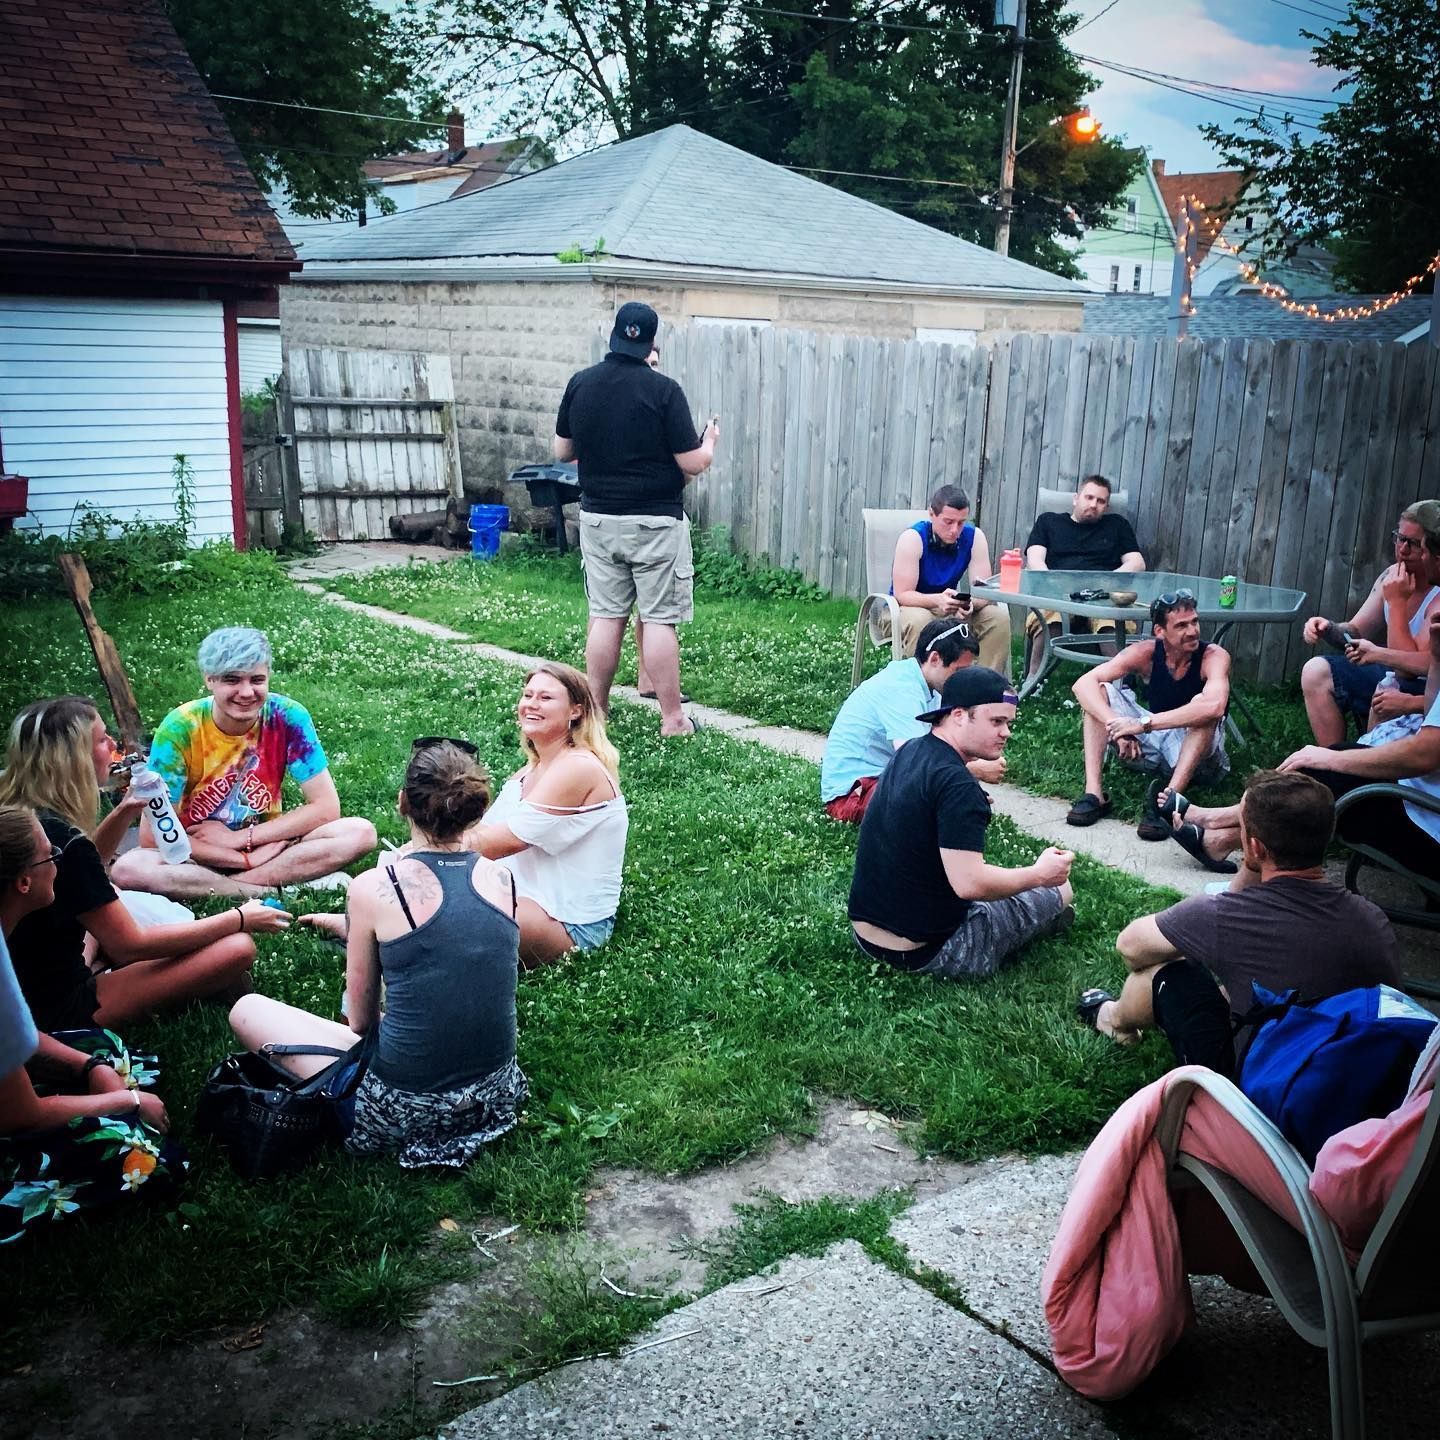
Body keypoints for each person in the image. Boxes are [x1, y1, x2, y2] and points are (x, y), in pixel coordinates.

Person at [228, 741, 527, 1170]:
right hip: (496, 1093)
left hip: (401, 1110)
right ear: (474, 810)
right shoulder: (503, 879)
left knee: (247, 1009)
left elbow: (361, 1023)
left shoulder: (372, 887)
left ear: (403, 802)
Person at [1077, 771, 1400, 1078]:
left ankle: (1114, 1020)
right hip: (1356, 1072)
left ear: (1255, 846)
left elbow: (1130, 947)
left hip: (1262, 1087)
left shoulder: (1223, 917)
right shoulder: (1372, 918)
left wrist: (1249, 867)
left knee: (1166, 973)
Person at [0, 697, 288, 1031]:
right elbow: (132, 944)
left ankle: (96, 960)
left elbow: (82, 872)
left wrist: (125, 810)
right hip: (54, 1005)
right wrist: (239, 918)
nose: (113, 746)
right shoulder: (59, 840)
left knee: (107, 896)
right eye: (102, 739)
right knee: (236, 949)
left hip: (20, 974)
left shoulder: (19, 812)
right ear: (74, 759)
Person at [0, 806, 185, 1242]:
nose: (60, 862)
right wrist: (128, 1104)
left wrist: (89, 1068)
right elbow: (24, 1115)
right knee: (143, 1159)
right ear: (23, 882)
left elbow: (19, 1037)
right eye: (51, 857)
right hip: (12, 1119)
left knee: (104, 1052)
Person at [111, 627, 377, 899]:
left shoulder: (287, 716)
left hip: (266, 846)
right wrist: (239, 858)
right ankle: (270, 888)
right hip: (195, 855)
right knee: (130, 869)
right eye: (232, 680)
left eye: (257, 679)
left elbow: (326, 807)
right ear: (209, 680)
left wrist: (242, 840)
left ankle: (231, 888)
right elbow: (153, 837)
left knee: (360, 832)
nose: (247, 692)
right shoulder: (180, 729)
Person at [555, 301, 718, 737]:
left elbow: (562, 451)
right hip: (655, 522)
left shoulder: (581, 384)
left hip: (599, 519)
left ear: (614, 336)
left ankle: (597, 714)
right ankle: (672, 719)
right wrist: (710, 444)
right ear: (651, 342)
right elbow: (692, 462)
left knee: (607, 617)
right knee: (660, 619)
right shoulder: (664, 391)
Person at [848, 667, 1075, 980]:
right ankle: (1041, 920)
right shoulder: (959, 788)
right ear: (958, 715)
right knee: (1060, 889)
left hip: (865, 937)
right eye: (996, 721)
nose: (1006, 732)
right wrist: (1039, 874)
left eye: (1008, 722)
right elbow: (971, 885)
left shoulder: (911, 751)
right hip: (930, 951)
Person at [467, 663, 628, 965]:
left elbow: (502, 842)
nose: (531, 704)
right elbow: (482, 833)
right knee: (429, 896)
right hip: (520, 896)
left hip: (569, 922)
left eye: (545, 698)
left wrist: (428, 849)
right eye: (528, 695)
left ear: (575, 712)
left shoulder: (578, 767)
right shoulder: (531, 770)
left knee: (448, 912)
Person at [1068, 589, 1231, 839]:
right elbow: (1083, 684)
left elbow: (1215, 707)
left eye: (1195, 622)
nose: (1193, 631)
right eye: (1181, 626)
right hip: (1156, 743)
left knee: (1202, 706)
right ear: (1160, 631)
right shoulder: (1145, 653)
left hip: (1201, 756)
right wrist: (1117, 727)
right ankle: (1094, 794)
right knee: (1099, 692)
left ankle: (1168, 801)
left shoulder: (1213, 656)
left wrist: (1142, 724)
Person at [822, 618, 1000, 823]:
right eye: (959, 671)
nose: (963, 680)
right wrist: (974, 771)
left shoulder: (932, 686)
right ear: (934, 659)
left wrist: (981, 752)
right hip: (852, 794)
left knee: (957, 798)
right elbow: (915, 762)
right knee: (934, 799)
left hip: (885, 779)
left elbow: (947, 745)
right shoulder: (901, 688)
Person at [1297, 500, 1440, 746]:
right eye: (1399, 538)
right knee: (1315, 671)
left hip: (1424, 687)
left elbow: (1407, 670)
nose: (1402, 550)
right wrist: (1327, 628)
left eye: (1414, 544)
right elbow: (1356, 630)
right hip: (1389, 672)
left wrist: (1396, 604)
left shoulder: (1434, 596)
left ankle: (1360, 768)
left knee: (1390, 688)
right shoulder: (1390, 575)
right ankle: (1333, 756)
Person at [1023, 474, 1146, 675]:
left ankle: (1116, 686)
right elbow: (1034, 559)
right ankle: (1034, 680)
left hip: (1103, 597)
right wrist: (1051, 587)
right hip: (1059, 595)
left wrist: (1108, 584)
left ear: (1106, 506)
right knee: (1051, 618)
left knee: (1110, 623)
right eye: (1089, 497)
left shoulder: (1117, 525)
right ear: (1075, 498)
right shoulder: (1048, 522)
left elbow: (1137, 563)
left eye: (1101, 501)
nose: (1094, 504)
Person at [889, 485, 1012, 675]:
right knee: (921, 620)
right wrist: (937, 600)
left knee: (997, 617)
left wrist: (970, 605)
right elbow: (902, 595)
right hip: (905, 608)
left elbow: (983, 591)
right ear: (932, 514)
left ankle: (984, 689)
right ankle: (923, 689)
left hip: (949, 606)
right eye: (948, 522)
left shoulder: (974, 537)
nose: (955, 530)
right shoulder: (913, 539)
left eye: (961, 523)